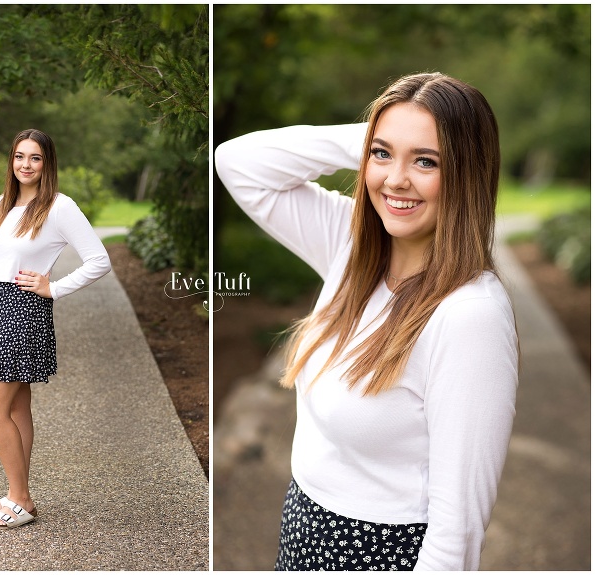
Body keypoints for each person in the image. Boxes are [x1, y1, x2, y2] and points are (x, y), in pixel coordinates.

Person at [215, 73, 518, 570]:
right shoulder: (351, 246)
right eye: (382, 156)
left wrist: (395, 141)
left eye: (427, 161)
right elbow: (236, 162)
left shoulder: (470, 315)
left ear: (468, 173)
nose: (396, 180)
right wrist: (382, 136)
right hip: (303, 533)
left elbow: (457, 531)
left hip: (383, 556)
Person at [0, 128, 111, 530]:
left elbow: (99, 261)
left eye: (35, 158)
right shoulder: (0, 204)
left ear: (47, 163)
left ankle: (22, 499)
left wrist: (54, 288)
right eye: (18, 157)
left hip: (24, 311)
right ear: (11, 161)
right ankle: (16, 495)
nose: (25, 165)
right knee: (14, 407)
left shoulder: (59, 208)